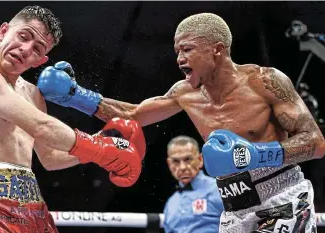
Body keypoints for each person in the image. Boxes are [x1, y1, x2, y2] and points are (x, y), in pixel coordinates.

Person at [37, 12, 325, 233]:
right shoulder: (185, 93)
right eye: (177, 51)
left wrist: (256, 155)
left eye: (187, 50)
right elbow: (132, 115)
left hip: (282, 197)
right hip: (234, 209)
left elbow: (316, 142)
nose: (179, 58)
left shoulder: (265, 81)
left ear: (217, 49)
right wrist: (77, 96)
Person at [0, 5, 146, 233]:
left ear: (40, 61)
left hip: (32, 203)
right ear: (4, 31)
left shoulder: (33, 95)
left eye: (37, 49)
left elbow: (51, 158)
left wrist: (103, 139)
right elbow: (41, 126)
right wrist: (100, 148)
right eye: (23, 36)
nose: (25, 49)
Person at [163, 135, 223, 233]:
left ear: (200, 160)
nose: (182, 167)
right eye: (176, 161)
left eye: (188, 159)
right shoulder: (171, 203)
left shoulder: (219, 190)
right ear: (170, 164)